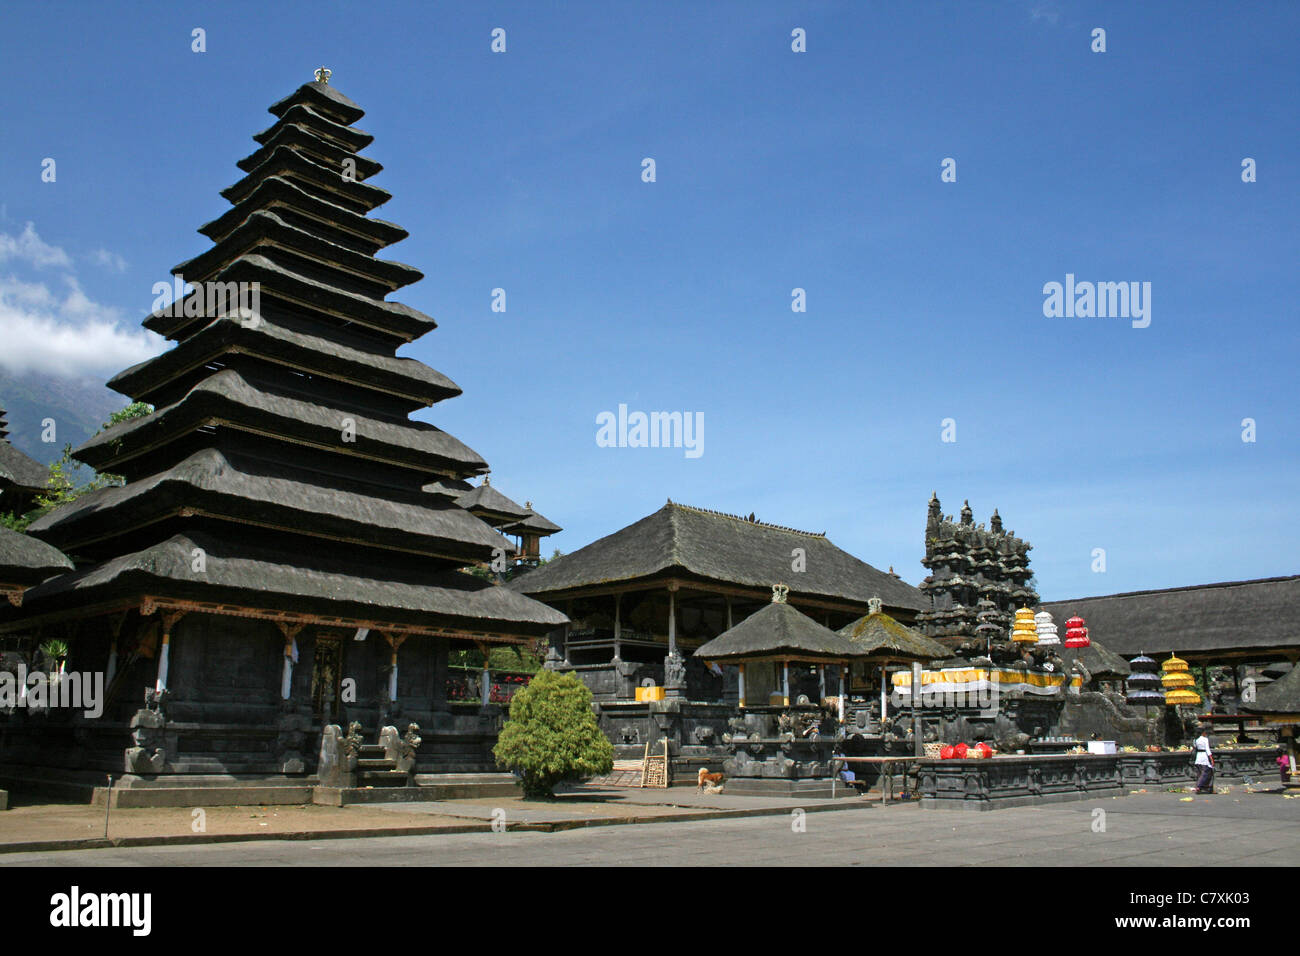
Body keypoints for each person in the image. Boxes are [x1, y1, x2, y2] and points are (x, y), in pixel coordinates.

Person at [1193, 724, 1215, 794]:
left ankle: (1206, 787)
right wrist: (1211, 759)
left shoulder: (1195, 740)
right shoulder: (1205, 739)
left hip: (1198, 757)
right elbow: (1208, 750)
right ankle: (1199, 786)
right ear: (1203, 732)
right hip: (1204, 757)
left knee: (1200, 773)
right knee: (1206, 772)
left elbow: (1195, 749)